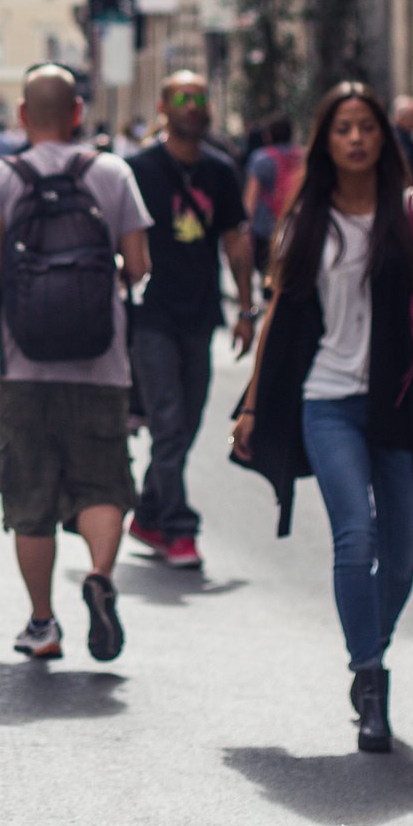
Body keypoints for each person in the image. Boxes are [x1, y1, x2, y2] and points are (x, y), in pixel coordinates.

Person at [231, 82, 413, 754]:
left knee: (401, 553)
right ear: (326, 141)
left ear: (382, 137)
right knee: (356, 537)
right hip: (325, 398)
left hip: (397, 400)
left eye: (368, 126)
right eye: (344, 128)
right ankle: (370, 679)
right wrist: (252, 403)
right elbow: (279, 311)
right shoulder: (305, 216)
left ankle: (371, 641)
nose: (358, 138)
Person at [0, 65, 153, 664]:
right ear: (76, 113)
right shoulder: (112, 172)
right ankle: (97, 573)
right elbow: (139, 264)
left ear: (22, 116)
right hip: (101, 364)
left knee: (30, 500)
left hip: (26, 366)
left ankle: (43, 623)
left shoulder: (1, 179)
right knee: (103, 482)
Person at [124, 72, 257, 570]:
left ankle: (149, 512)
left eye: (201, 99)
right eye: (184, 98)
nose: (194, 107)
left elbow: (235, 241)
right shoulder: (138, 169)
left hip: (201, 316)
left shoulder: (221, 171)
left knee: (191, 421)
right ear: (163, 107)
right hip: (152, 313)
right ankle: (179, 527)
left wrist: (245, 310)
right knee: (168, 424)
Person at [242, 115, 304, 276]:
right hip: (298, 225)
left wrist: (246, 229)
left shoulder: (261, 158)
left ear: (268, 135)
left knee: (268, 276)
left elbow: (251, 196)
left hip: (266, 228)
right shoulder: (303, 156)